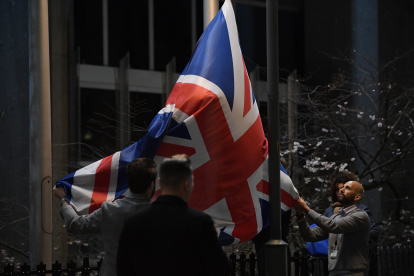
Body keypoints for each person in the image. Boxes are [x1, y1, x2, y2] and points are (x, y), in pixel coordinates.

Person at [117, 154, 231, 276]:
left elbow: (123, 269)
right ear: (187, 184)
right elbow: (221, 268)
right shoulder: (200, 222)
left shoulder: (133, 223)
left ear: (160, 183)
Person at [53, 157, 157, 276]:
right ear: (151, 185)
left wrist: (63, 200)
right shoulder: (161, 214)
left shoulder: (110, 210)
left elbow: (75, 224)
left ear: (129, 183)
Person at [294, 181, 370, 275]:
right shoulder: (335, 216)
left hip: (353, 273)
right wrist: (300, 215)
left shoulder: (360, 216)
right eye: (342, 187)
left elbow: (333, 226)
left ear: (357, 197)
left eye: (347, 188)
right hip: (333, 272)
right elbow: (310, 236)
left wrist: (307, 209)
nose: (341, 190)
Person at [324, 171, 379, 243]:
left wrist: (353, 232)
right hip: (333, 251)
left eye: (345, 188)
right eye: (337, 189)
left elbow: (374, 234)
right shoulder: (330, 211)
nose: (341, 191)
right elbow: (319, 232)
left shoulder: (362, 210)